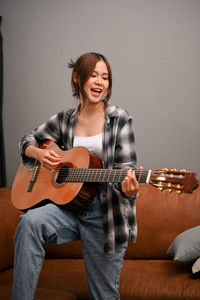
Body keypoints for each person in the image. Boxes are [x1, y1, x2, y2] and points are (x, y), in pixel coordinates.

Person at [11, 52, 140, 300]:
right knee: (29, 223)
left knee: (104, 296)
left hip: (105, 214)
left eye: (106, 77)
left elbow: (126, 169)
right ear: (77, 78)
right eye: (94, 75)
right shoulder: (65, 119)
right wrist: (37, 153)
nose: (100, 82)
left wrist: (129, 189)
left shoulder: (119, 119)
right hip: (68, 207)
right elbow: (27, 140)